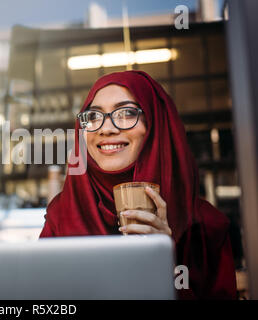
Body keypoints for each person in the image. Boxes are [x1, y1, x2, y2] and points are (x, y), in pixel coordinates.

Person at [39, 70, 237, 300]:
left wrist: (166, 262)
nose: (106, 128)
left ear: (155, 125)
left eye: (125, 113)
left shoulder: (205, 227)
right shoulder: (62, 215)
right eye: (93, 116)